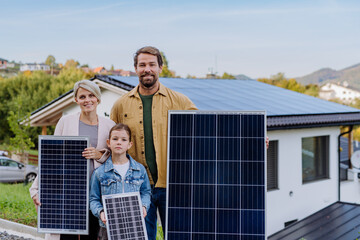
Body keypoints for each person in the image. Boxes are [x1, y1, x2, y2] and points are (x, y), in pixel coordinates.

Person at [110, 46, 197, 239]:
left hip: (172, 184)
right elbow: (111, 143)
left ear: (160, 68)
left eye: (151, 64)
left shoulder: (180, 102)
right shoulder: (121, 105)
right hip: (136, 186)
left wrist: (253, 140)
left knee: (177, 235)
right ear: (136, 68)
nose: (146, 69)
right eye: (142, 65)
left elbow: (209, 133)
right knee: (140, 237)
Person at [29, 80, 115, 240]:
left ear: (98, 99)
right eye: (82, 96)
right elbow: (52, 158)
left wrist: (100, 155)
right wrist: (37, 189)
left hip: (96, 194)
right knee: (66, 235)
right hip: (68, 191)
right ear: (76, 100)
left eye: (91, 95)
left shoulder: (109, 125)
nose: (87, 100)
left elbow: (117, 157)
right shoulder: (65, 121)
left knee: (92, 234)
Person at [89, 123, 151, 240]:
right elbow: (93, 199)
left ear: (129, 144)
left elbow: (146, 193)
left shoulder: (140, 170)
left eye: (123, 140)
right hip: (107, 228)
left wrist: (143, 206)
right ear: (108, 143)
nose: (119, 142)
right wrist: (101, 212)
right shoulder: (99, 173)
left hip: (134, 225)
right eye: (115, 139)